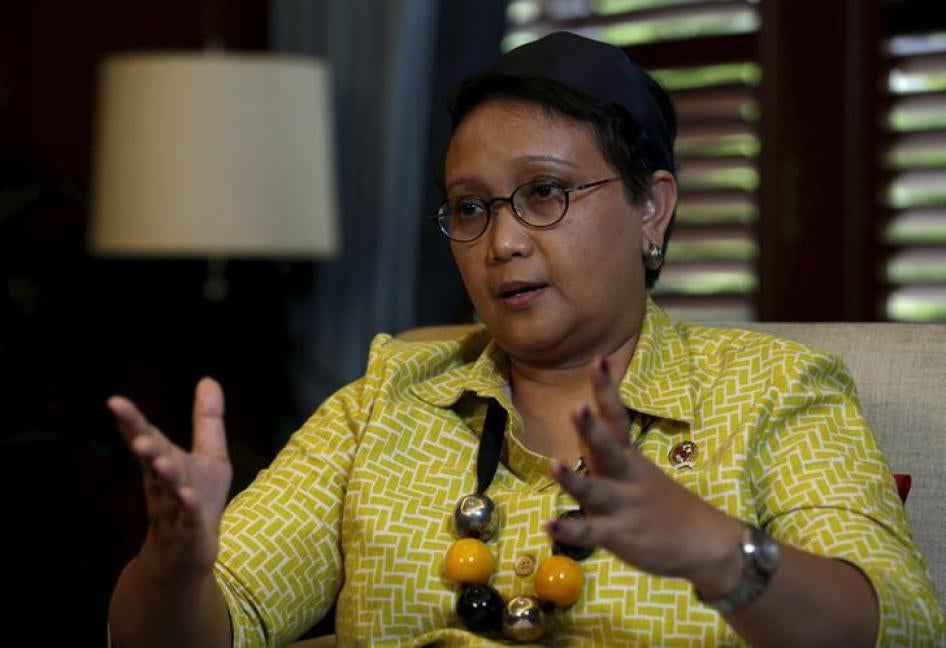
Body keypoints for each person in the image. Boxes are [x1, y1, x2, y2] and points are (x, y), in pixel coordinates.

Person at [107, 32, 945, 647]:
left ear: (652, 208)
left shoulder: (773, 392)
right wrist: (173, 567)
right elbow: (208, 626)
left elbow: (900, 627)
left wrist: (714, 549)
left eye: (543, 193)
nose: (502, 241)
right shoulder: (388, 399)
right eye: (471, 208)